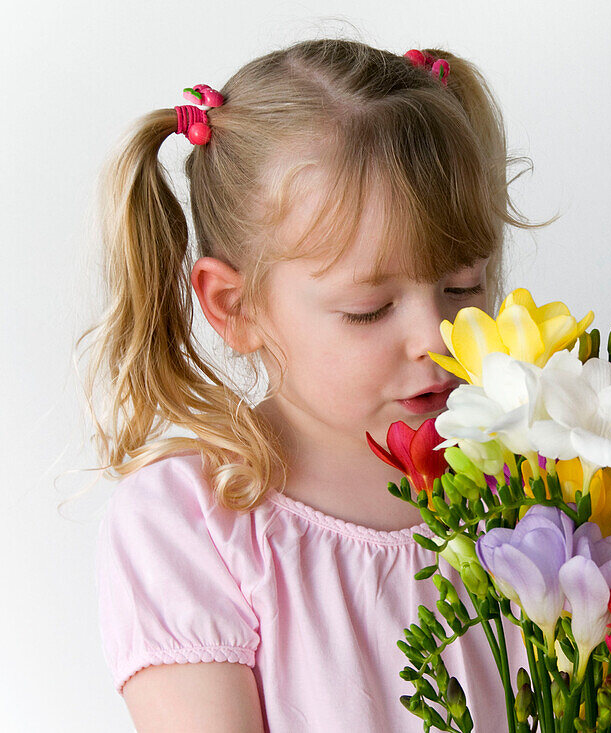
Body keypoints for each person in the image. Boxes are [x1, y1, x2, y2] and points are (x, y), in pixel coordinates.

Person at [82, 38, 537, 731]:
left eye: (462, 285)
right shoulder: (195, 519)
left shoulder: (534, 471)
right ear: (235, 306)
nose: (437, 334)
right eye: (368, 307)